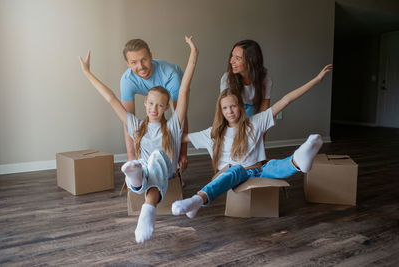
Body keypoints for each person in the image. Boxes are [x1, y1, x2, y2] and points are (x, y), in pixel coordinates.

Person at [172, 64, 333, 219]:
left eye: (233, 106)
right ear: (220, 111)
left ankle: (298, 161)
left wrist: (316, 80)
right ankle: (197, 200)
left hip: (258, 170)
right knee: (237, 170)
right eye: (225, 108)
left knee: (274, 166)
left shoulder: (255, 122)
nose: (230, 111)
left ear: (240, 106)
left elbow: (286, 100)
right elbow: (181, 136)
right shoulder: (213, 133)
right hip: (234, 173)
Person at [79, 36, 198, 243]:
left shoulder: (173, 126)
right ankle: (135, 175)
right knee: (141, 166)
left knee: (157, 157)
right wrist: (88, 73)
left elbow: (185, 88)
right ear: (145, 104)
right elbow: (111, 98)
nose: (154, 109)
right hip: (144, 169)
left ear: (167, 108)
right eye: (151, 104)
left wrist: (193, 54)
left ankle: (147, 208)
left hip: (165, 168)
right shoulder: (135, 125)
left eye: (160, 105)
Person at [121, 38, 189, 174]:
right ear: (127, 63)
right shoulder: (127, 80)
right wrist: (131, 156)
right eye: (134, 62)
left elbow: (181, 119)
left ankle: (171, 169)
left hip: (171, 84)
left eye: (144, 59)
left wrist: (183, 154)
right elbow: (127, 120)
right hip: (152, 90)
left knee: (172, 125)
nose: (140, 66)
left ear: (151, 56)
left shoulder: (170, 75)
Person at [220, 39, 272, 117]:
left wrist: (259, 127)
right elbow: (226, 110)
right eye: (232, 56)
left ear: (250, 62)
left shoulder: (265, 79)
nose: (231, 61)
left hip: (255, 116)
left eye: (238, 58)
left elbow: (263, 111)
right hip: (233, 115)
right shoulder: (226, 79)